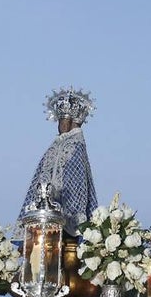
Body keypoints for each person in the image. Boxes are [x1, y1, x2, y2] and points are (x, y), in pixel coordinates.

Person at [17, 87, 98, 236]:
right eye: (60, 121)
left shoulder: (76, 145)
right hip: (43, 211)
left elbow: (77, 181)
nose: (61, 125)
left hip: (63, 217)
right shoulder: (55, 146)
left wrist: (70, 211)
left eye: (64, 121)